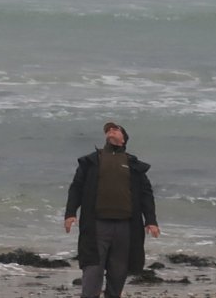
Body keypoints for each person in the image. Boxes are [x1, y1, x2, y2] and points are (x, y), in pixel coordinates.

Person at [64, 121, 160, 298]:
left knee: (118, 271)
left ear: (124, 139)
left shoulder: (133, 164)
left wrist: (151, 221)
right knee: (93, 269)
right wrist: (70, 213)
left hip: (126, 226)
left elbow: (146, 194)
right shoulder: (92, 161)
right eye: (108, 130)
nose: (111, 131)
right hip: (97, 224)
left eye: (116, 129)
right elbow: (76, 187)